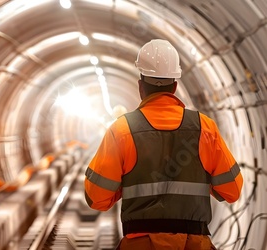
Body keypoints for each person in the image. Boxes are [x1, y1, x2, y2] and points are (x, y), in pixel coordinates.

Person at [84, 39, 243, 249]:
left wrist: (125, 185)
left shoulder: (122, 130)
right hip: (194, 245)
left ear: (140, 86)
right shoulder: (205, 128)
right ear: (175, 86)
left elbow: (96, 198)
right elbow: (231, 190)